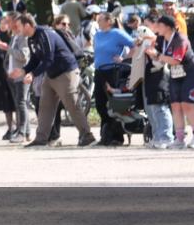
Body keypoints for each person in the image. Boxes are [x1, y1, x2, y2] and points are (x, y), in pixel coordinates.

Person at [13, 13, 96, 147]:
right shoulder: (31, 39)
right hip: (51, 74)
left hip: (66, 72)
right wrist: (24, 70)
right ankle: (41, 139)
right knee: (45, 106)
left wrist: (33, 74)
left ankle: (87, 136)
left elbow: (49, 58)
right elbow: (35, 59)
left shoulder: (45, 34)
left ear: (27, 25)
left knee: (72, 105)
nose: (17, 29)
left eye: (19, 26)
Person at [152, 15, 194, 149]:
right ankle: (179, 139)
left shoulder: (180, 38)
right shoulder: (161, 39)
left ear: (168, 27)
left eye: (159, 25)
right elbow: (155, 52)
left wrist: (157, 55)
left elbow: (175, 60)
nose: (157, 28)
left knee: (188, 104)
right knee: (175, 105)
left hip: (192, 71)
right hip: (176, 73)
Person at [92, 10, 135, 144]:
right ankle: (106, 134)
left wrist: (124, 59)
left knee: (114, 103)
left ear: (109, 21)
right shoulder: (97, 35)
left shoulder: (117, 33)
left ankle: (117, 136)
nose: (98, 22)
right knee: (100, 103)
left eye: (100, 20)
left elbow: (134, 45)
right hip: (99, 71)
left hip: (113, 71)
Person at [140, 14, 174, 148]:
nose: (144, 28)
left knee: (161, 107)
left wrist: (153, 53)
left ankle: (166, 137)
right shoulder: (153, 39)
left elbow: (163, 59)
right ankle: (158, 137)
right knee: (153, 108)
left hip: (161, 75)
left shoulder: (162, 40)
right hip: (150, 75)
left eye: (147, 25)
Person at [5, 12, 33, 142]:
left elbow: (23, 56)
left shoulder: (23, 38)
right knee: (19, 103)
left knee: (21, 103)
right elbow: (10, 58)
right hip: (13, 76)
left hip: (22, 76)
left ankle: (22, 133)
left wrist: (7, 48)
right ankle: (25, 132)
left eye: (9, 21)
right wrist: (7, 70)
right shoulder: (14, 37)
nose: (7, 24)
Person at [0, 16, 17, 141]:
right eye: (1, 23)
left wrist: (5, 48)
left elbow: (15, 54)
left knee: (15, 101)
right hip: (0, 72)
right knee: (5, 102)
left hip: (11, 72)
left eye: (5, 23)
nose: (3, 25)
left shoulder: (13, 37)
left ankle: (19, 128)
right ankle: (10, 127)